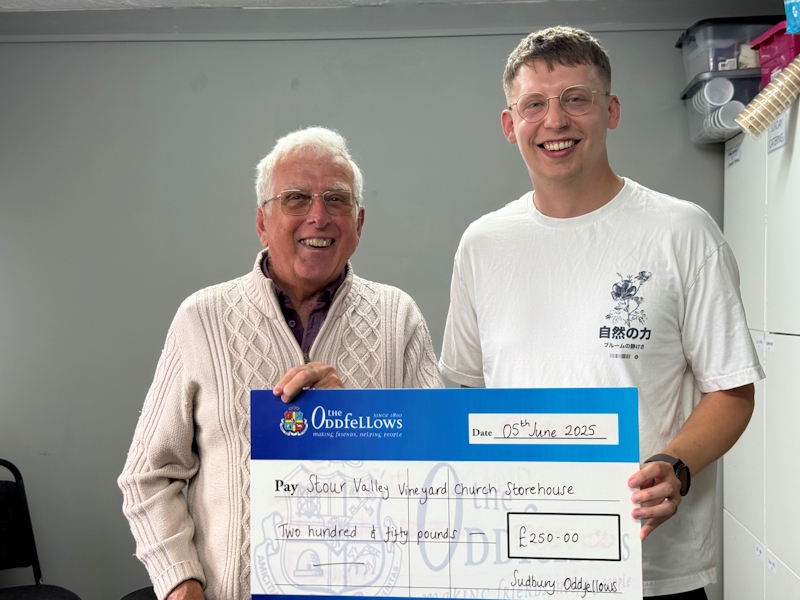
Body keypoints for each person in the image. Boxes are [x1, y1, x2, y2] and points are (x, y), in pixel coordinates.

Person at [439, 26, 763, 599]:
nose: (556, 121)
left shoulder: (681, 232)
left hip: (653, 572)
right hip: (520, 564)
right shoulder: (483, 244)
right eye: (534, 104)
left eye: (576, 99)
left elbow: (732, 391)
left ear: (610, 111)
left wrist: (677, 465)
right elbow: (469, 393)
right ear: (510, 124)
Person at [119, 127, 443, 600]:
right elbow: (148, 475)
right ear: (262, 222)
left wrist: (357, 421)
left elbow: (439, 470)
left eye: (336, 199)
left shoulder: (399, 317)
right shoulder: (201, 319)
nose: (318, 216)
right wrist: (179, 580)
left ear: (359, 221)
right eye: (295, 199)